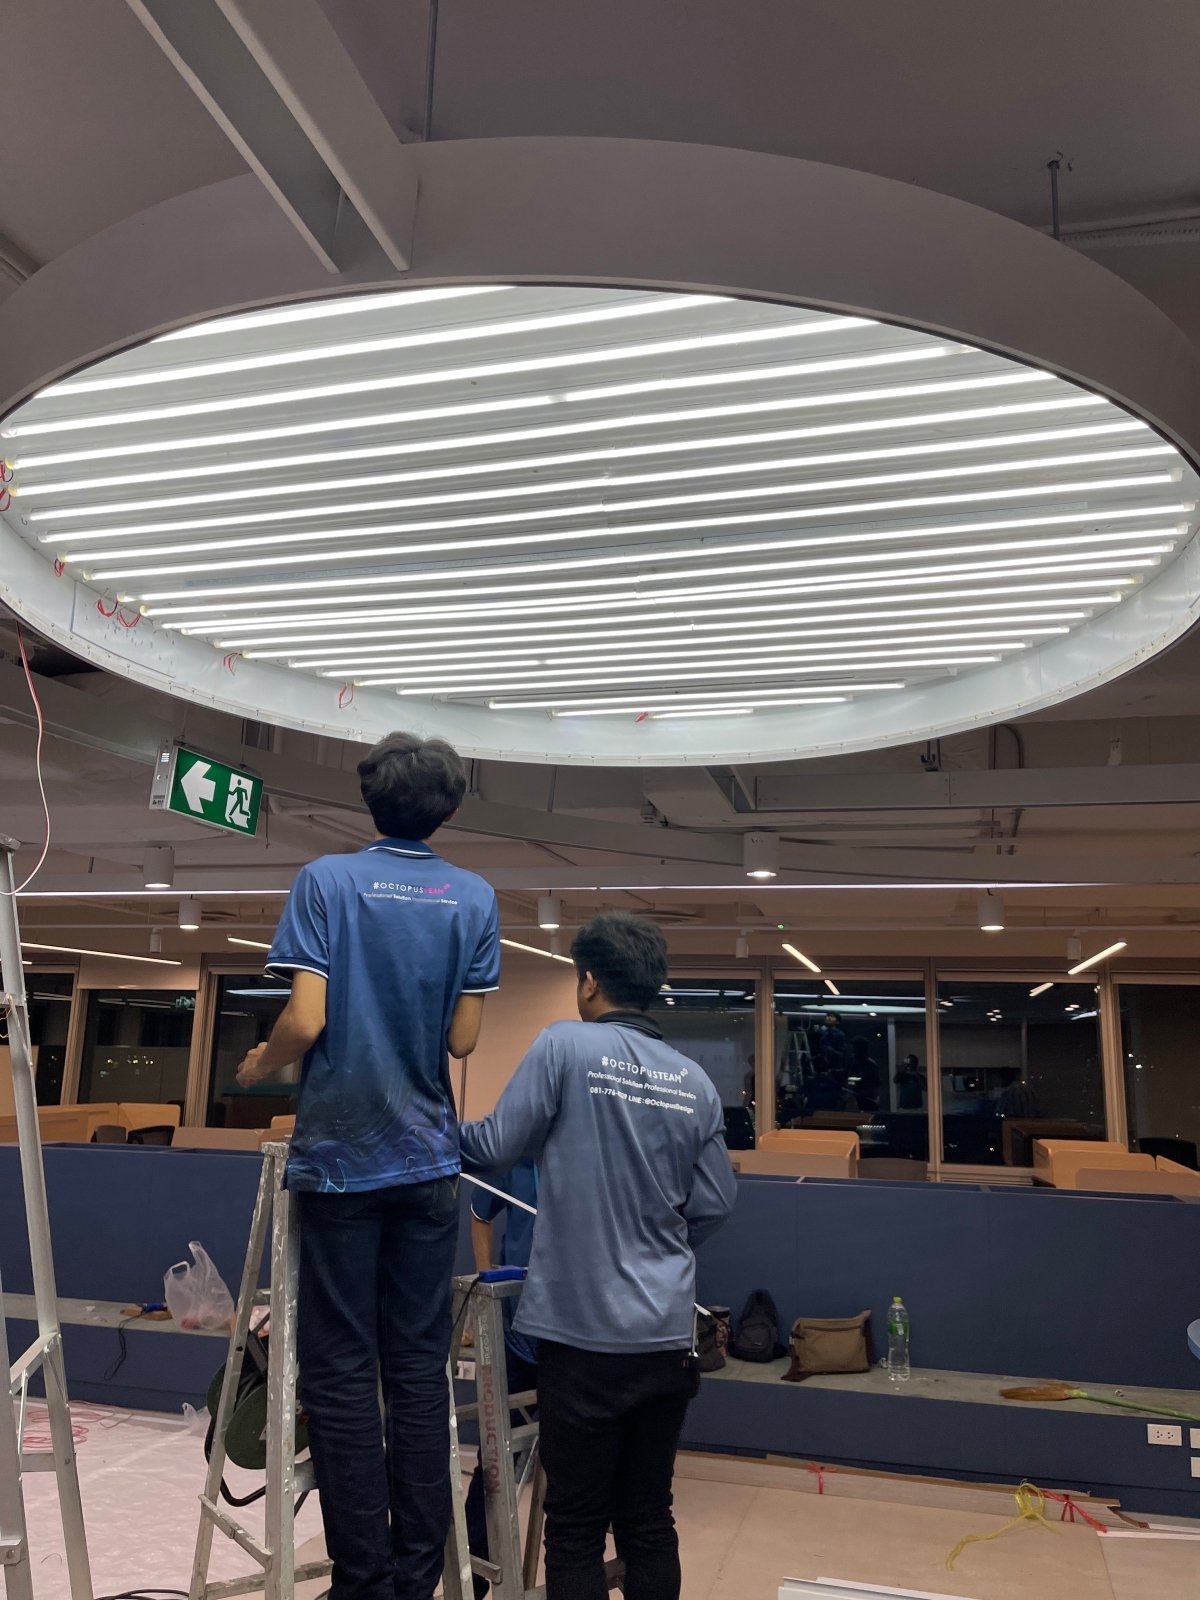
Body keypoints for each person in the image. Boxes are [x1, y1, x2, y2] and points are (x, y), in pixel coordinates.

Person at [235, 732, 500, 1600]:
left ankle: (365, 1581)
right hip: (429, 1164)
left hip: (343, 1163)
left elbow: (305, 1021)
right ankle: (418, 1577)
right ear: (448, 808)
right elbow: (463, 1040)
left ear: (369, 800)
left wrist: (258, 1063)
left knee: (343, 1371)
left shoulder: (326, 881)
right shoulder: (474, 896)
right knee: (419, 1372)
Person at [459, 912, 736, 1600]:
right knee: (649, 1519)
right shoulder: (696, 1081)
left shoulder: (564, 1045)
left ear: (588, 982)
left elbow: (495, 1147)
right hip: (664, 1338)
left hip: (582, 1340)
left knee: (576, 1526)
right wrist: (655, 1247)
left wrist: (423, 1124)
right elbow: (714, 1203)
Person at [465, 1159, 540, 1600]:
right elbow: (480, 1212)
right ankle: (471, 1583)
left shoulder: (591, 1149)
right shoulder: (516, 1156)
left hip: (577, 1340)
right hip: (519, 1336)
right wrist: (486, 1284)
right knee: (495, 1468)